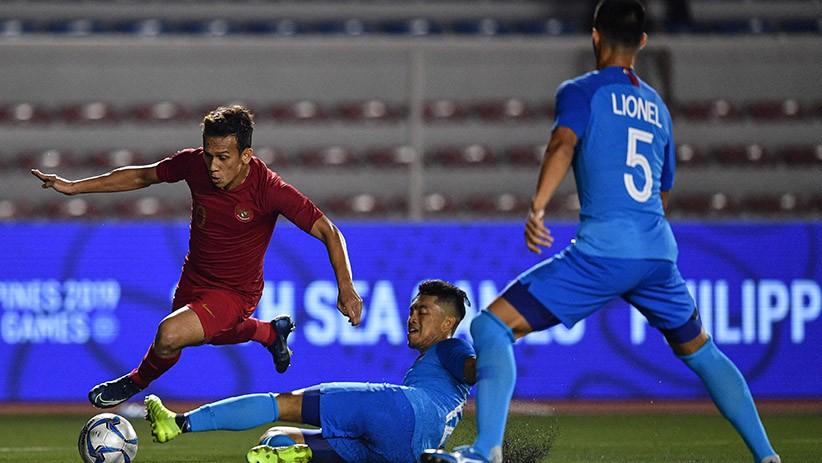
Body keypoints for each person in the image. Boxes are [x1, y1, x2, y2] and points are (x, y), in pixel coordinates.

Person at [421, 2, 780, 463]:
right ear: (643, 43)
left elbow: (563, 142)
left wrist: (537, 206)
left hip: (602, 254)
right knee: (703, 352)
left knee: (492, 328)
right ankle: (767, 456)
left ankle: (487, 448)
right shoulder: (659, 110)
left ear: (595, 37)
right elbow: (662, 193)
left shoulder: (582, 91)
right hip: (656, 255)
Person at [31, 105, 363, 409]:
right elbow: (141, 176)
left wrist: (345, 287)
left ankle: (135, 382)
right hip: (195, 276)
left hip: (236, 292)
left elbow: (328, 231)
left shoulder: (269, 189)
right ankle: (267, 333)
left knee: (170, 335)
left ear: (246, 156)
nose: (213, 167)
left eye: (223, 158)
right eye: (208, 155)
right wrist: (74, 187)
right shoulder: (195, 165)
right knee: (184, 341)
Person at [143, 279, 477, 463]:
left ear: (449, 322)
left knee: (282, 403)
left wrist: (496, 344)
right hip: (407, 453)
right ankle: (292, 455)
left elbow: (473, 369)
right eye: (411, 310)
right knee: (274, 442)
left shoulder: (452, 347)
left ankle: (179, 423)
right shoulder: (438, 368)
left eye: (423, 311)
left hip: (399, 412)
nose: (412, 317)